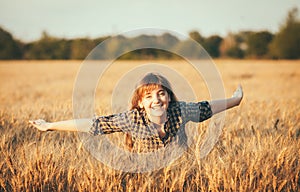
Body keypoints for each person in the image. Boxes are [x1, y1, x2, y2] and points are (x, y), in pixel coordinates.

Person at [29, 72, 243, 153]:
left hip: (180, 172)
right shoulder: (132, 119)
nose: (156, 100)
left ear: (168, 97)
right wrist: (50, 125)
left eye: (161, 94)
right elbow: (92, 124)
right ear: (140, 103)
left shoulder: (180, 110)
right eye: (148, 96)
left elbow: (207, 108)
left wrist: (235, 100)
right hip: (146, 177)